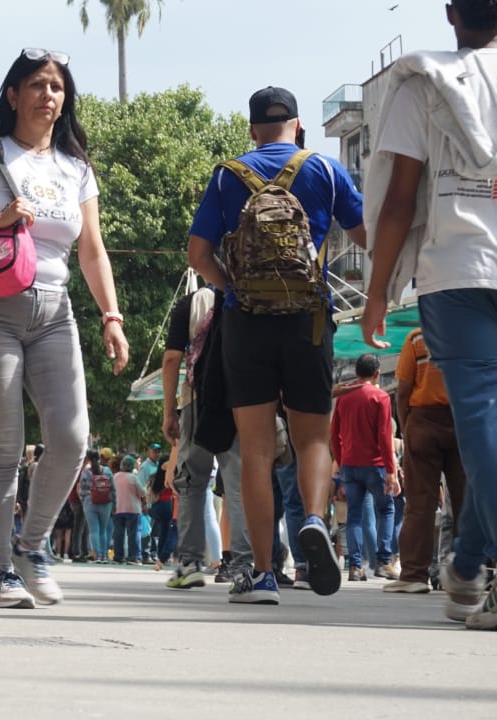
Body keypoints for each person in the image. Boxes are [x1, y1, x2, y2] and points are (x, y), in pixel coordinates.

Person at [0, 48, 128, 608]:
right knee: (4, 443)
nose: (48, 95)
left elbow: (92, 250)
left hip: (54, 309)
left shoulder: (76, 168)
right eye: (36, 85)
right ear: (13, 95)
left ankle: (31, 547)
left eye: (57, 87)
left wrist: (111, 316)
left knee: (71, 437)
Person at [188, 85, 366, 605]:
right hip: (309, 320)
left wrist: (232, 288)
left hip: (245, 322)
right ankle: (313, 519)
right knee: (313, 439)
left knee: (258, 450)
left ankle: (263, 574)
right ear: (298, 124)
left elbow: (198, 254)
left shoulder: (227, 174)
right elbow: (363, 234)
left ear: (251, 130)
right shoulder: (326, 168)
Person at [360, 0, 497, 630]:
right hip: (462, 275)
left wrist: (379, 291)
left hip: (454, 274)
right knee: (484, 433)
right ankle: (469, 564)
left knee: (482, 425)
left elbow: (397, 202)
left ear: (450, 12)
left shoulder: (421, 84)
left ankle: (477, 563)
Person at [161, 286, 252, 590]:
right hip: (241, 400)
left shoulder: (191, 302)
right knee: (237, 484)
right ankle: (242, 568)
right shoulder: (250, 295)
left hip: (198, 400)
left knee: (192, 482)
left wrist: (169, 411)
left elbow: (172, 358)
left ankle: (189, 564)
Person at [387, 329, 468, 595]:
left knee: (419, 503)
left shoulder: (417, 339)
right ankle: (467, 574)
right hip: (463, 422)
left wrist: (406, 428)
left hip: (423, 422)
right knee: (466, 503)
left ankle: (414, 575)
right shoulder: (470, 334)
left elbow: (403, 390)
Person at [331, 353, 402, 583]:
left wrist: (341, 464)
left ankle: (355, 567)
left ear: (357, 372)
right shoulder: (381, 397)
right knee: (387, 510)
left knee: (353, 516)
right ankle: (383, 561)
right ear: (377, 373)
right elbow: (384, 436)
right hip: (375, 466)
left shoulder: (343, 398)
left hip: (350, 465)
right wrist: (391, 470)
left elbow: (334, 435)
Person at [111, 455, 147, 565]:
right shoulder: (133, 478)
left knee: (118, 534)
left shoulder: (115, 477)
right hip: (133, 509)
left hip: (118, 508)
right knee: (134, 533)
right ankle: (134, 557)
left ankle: (118, 557)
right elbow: (142, 493)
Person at [81, 449, 114, 564]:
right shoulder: (107, 471)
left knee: (93, 530)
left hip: (90, 501)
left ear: (89, 459)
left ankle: (97, 555)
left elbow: (82, 489)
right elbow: (113, 488)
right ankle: (104, 556)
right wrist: (114, 503)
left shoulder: (86, 472)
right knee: (103, 530)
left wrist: (84, 500)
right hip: (106, 502)